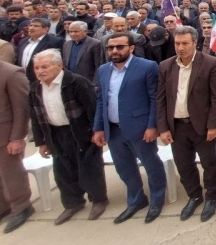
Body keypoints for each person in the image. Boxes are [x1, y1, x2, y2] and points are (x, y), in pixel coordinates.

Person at [92, 32, 167, 224]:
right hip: (114, 129)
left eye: (119, 47)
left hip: (140, 128)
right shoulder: (103, 70)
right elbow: (101, 100)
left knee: (151, 164)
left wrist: (152, 126)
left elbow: (155, 98)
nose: (114, 51)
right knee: (124, 168)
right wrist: (99, 127)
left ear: (131, 48)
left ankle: (157, 199)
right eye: (110, 48)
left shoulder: (147, 66)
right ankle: (136, 199)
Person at [29, 49, 108, 224]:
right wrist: (41, 142)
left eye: (45, 66)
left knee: (89, 167)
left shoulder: (77, 82)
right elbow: (35, 117)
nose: (40, 71)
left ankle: (98, 199)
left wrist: (98, 130)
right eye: (37, 67)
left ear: (59, 65)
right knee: (63, 170)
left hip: (81, 131)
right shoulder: (35, 88)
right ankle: (73, 203)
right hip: (55, 133)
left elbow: (93, 109)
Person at [156, 26, 216, 222]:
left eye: (185, 43)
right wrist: (163, 128)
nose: (180, 48)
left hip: (202, 125)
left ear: (195, 42)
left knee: (209, 163)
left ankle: (211, 196)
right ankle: (194, 195)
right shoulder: (166, 66)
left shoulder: (211, 63)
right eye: (177, 43)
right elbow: (160, 100)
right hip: (177, 126)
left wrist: (214, 125)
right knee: (184, 165)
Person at [0, 61, 34, 233]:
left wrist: (17, 137)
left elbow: (22, 109)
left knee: (12, 174)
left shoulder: (11, 73)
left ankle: (22, 207)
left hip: (6, 136)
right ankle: (4, 207)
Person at [17, 17, 65, 82]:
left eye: (36, 26)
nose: (31, 28)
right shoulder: (23, 41)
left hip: (42, 79)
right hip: (22, 79)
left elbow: (59, 62)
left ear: (45, 29)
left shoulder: (55, 42)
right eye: (30, 25)